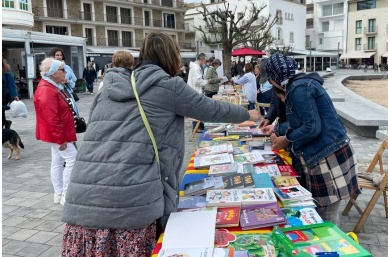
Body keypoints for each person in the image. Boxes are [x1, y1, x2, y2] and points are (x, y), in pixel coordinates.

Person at [60, 32, 260, 256]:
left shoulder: (108, 87)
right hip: (130, 203)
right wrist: (247, 113)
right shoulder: (167, 86)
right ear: (171, 56)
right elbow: (210, 109)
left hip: (84, 198)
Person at [265, 53, 360, 226]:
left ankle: (332, 249)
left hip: (327, 157)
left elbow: (311, 128)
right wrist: (280, 130)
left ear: (275, 77)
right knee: (323, 211)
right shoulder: (300, 84)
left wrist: (286, 139)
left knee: (326, 214)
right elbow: (302, 121)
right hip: (325, 154)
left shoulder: (298, 88)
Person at [33, 58, 77, 206]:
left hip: (59, 132)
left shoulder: (52, 86)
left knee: (58, 161)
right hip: (58, 133)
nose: (65, 72)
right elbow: (51, 117)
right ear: (52, 73)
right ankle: (65, 194)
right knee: (72, 159)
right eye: (61, 70)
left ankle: (59, 194)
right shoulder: (47, 89)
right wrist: (60, 139)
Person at [49, 48, 79, 116]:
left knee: (72, 111)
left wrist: (68, 81)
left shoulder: (67, 67)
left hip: (67, 92)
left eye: (60, 55)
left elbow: (74, 80)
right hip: (56, 92)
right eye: (57, 55)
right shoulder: (49, 68)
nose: (59, 57)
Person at [187, 52, 207, 132]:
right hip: (195, 91)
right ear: (201, 59)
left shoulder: (194, 67)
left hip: (193, 90)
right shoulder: (196, 68)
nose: (205, 63)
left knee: (197, 109)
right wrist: (206, 82)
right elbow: (197, 81)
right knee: (197, 110)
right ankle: (196, 127)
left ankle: (199, 126)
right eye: (205, 61)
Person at [2, 59, 19, 129]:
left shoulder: (5, 70)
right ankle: (5, 122)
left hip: (3, 95)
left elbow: (11, 83)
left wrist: (14, 95)